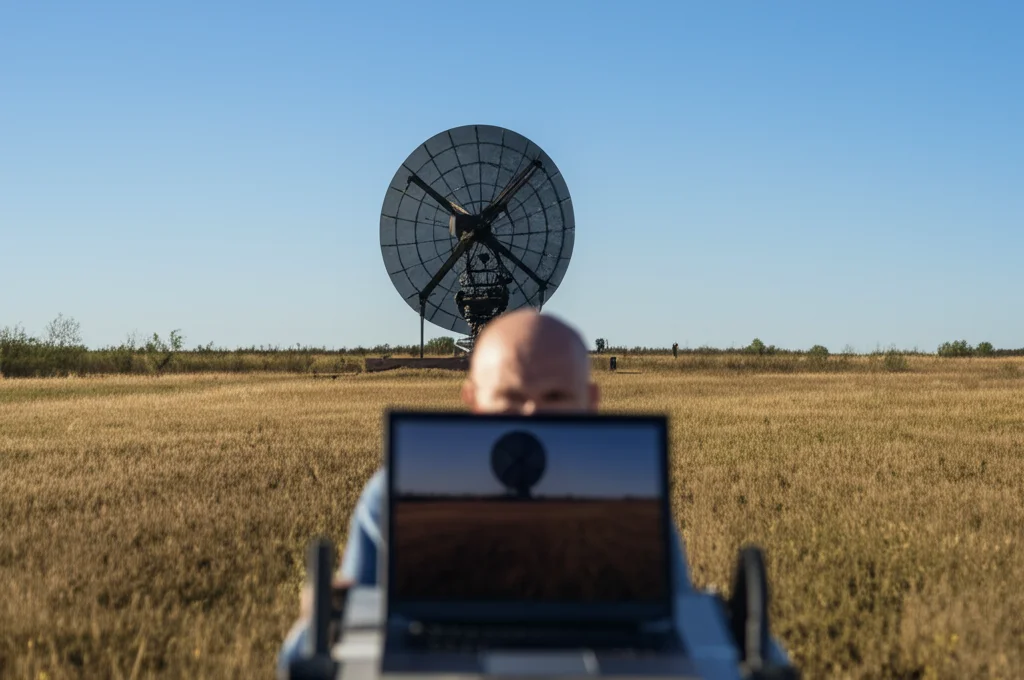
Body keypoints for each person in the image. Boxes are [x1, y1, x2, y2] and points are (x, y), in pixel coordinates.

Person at [277, 309, 693, 675]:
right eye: (511, 397)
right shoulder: (392, 494)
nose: (531, 414)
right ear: (473, 399)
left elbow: (681, 625)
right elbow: (319, 652)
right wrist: (324, 619)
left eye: (554, 396)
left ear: (593, 400)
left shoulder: (631, 495)